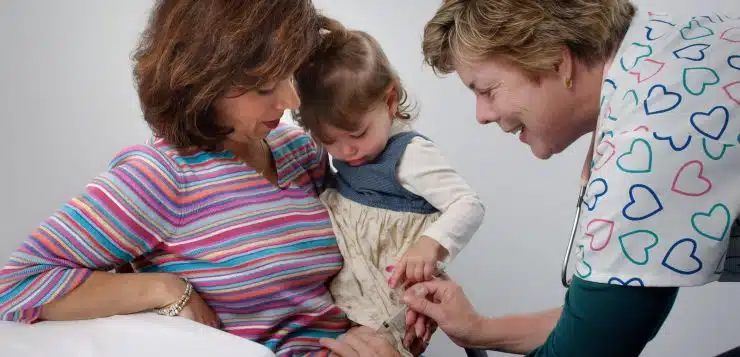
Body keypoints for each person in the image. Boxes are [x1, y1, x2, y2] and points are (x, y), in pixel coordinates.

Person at [325, 0, 740, 356]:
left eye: (486, 90)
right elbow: (596, 322)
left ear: (557, 61)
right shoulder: (667, 47)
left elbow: (590, 348)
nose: (481, 115)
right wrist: (478, 329)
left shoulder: (647, 143)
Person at [0, 1, 412, 356]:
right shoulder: (160, 178)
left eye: (291, 76)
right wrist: (163, 288)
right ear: (204, 81)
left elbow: (361, 254)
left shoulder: (299, 151)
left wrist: (381, 332)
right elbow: (19, 283)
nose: (291, 101)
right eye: (267, 87)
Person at [292, 22, 485, 357]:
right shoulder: (339, 158)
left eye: (357, 134)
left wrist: (431, 244)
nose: (347, 151)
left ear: (391, 100)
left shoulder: (409, 156)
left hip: (391, 300)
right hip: (351, 297)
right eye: (329, 140)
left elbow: (468, 204)